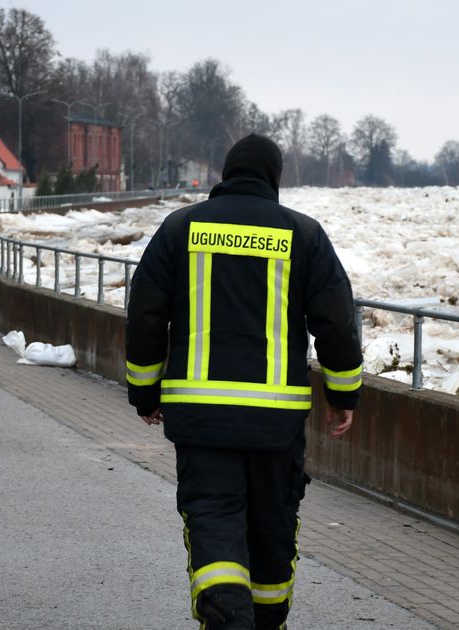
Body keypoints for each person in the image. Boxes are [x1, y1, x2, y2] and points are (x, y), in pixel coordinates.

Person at [125, 134, 363, 630]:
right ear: (274, 178)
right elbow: (337, 323)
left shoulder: (179, 228)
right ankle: (264, 619)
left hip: (201, 419)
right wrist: (343, 394)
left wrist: (145, 391)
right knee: (272, 528)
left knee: (213, 519)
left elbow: (145, 315)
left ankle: (226, 616)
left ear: (226, 173)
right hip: (275, 425)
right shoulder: (304, 234)